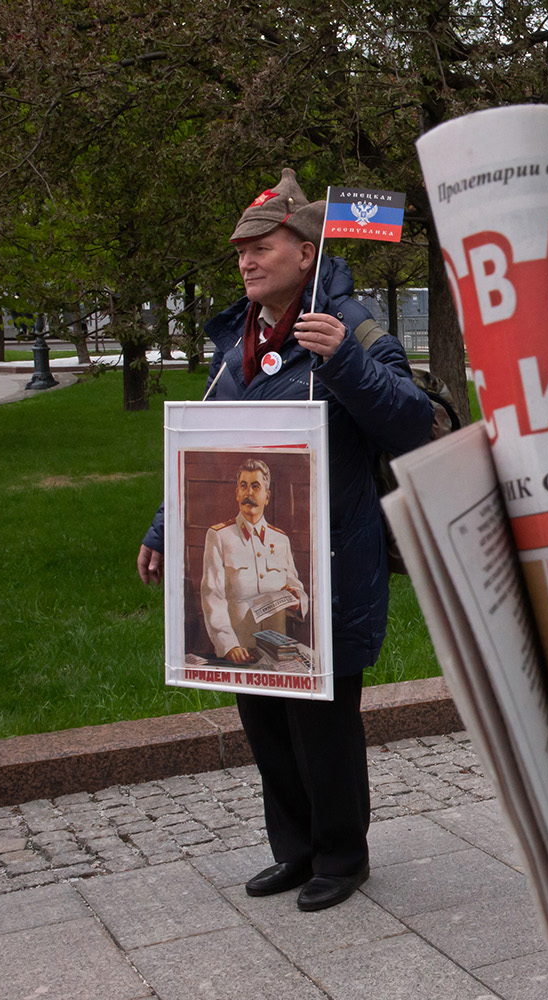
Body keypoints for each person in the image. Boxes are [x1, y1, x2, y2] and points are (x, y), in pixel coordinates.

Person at [137, 167, 433, 912]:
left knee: (321, 721)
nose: (244, 260)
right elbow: (210, 450)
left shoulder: (351, 327)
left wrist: (345, 360)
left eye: (262, 246)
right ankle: (293, 851)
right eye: (239, 250)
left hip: (324, 566)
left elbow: (408, 421)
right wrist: (165, 527)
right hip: (244, 571)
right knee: (263, 710)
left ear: (306, 252)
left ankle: (342, 854)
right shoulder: (233, 340)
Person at [199, 457, 309, 664]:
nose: (249, 493)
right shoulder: (220, 537)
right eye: (243, 486)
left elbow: (296, 587)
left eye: (255, 486)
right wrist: (229, 644)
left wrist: (297, 600)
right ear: (237, 493)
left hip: (278, 653)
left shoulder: (281, 539)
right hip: (239, 652)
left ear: (267, 496)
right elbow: (212, 596)